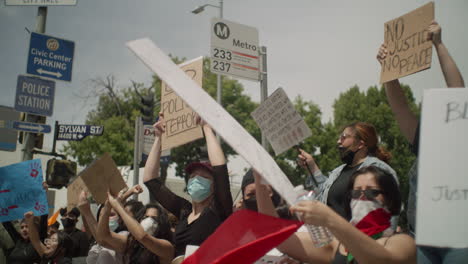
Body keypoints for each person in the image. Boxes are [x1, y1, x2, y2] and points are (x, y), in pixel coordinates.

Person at [377, 20, 468, 263]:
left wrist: (438, 45)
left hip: (459, 241)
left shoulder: (460, 144)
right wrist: (389, 71)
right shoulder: (423, 144)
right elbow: (400, 108)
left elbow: (456, 93)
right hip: (422, 240)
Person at [255, 166, 416, 264]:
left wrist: (330, 219)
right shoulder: (338, 246)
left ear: (390, 198)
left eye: (371, 191)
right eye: (355, 191)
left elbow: (379, 261)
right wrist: (259, 180)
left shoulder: (403, 243)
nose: (362, 197)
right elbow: (274, 235)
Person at [143, 113, 233, 257]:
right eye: (192, 176)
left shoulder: (219, 209)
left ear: (214, 185)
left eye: (203, 177)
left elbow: (220, 169)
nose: (196, 179)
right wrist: (159, 138)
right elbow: (150, 180)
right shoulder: (184, 210)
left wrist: (207, 129)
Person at [299, 122, 397, 221]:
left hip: (355, 235)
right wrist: (311, 167)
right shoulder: (338, 171)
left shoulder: (378, 168)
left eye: (343, 137)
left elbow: (391, 208)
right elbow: (322, 196)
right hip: (329, 233)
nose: (338, 141)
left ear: (360, 144)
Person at [96, 192, 174, 264]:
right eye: (145, 217)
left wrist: (118, 207)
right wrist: (107, 206)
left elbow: (143, 237)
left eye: (154, 218)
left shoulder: (167, 247)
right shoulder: (133, 244)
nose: (148, 220)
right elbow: (104, 236)